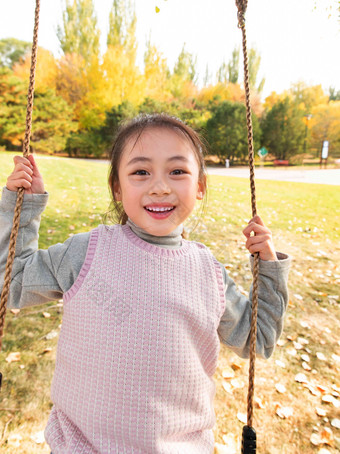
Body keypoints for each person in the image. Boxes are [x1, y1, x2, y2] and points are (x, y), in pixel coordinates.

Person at [0, 114, 290, 454]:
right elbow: (13, 283)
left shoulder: (208, 274)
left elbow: (260, 339)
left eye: (177, 171)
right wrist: (24, 207)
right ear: (117, 188)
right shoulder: (86, 253)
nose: (160, 187)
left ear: (199, 187)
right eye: (141, 172)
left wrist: (268, 266)